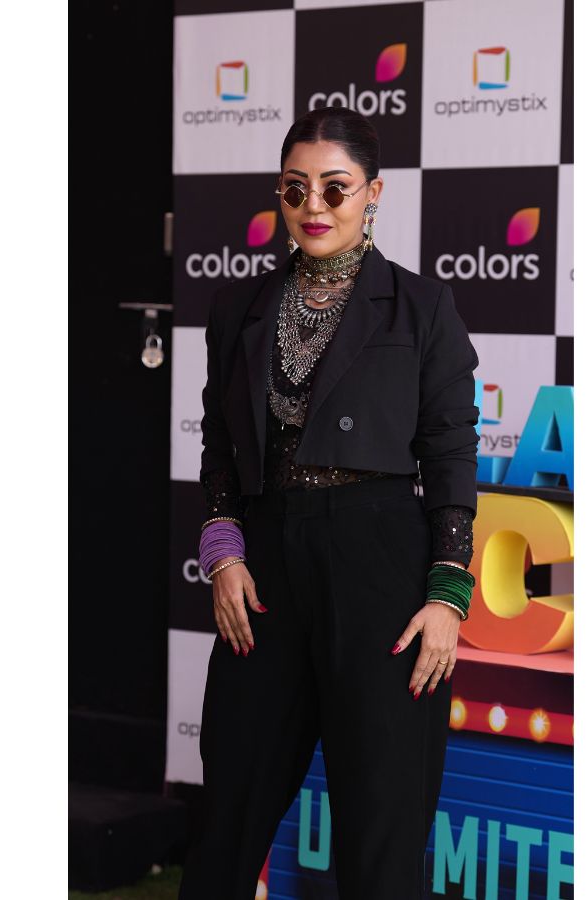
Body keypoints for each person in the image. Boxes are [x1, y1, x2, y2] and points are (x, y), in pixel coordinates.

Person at [179, 106, 480, 899]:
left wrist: (447, 594)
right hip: (267, 570)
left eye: (335, 189)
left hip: (381, 573)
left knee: (381, 830)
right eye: (295, 188)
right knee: (228, 815)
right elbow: (220, 445)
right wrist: (224, 553)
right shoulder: (238, 308)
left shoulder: (422, 308)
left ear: (373, 193)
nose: (314, 206)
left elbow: (451, 455)